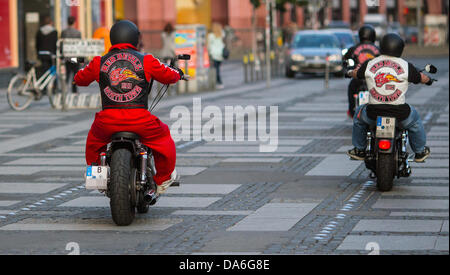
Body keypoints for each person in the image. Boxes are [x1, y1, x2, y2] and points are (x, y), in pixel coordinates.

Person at [74, 20, 184, 195]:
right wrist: (178, 73)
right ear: (135, 39)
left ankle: (97, 176)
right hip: (140, 119)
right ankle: (163, 179)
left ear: (112, 39)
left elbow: (79, 79)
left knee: (93, 142)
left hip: (107, 121)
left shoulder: (99, 62)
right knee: (163, 137)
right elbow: (168, 75)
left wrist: (81, 71)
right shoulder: (146, 60)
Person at [347, 33, 433, 163]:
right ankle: (420, 151)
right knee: (415, 121)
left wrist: (350, 72)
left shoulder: (370, 63)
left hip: (373, 114)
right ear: (400, 48)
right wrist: (428, 80)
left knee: (358, 115)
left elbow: (356, 73)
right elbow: (421, 78)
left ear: (381, 46)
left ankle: (359, 149)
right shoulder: (405, 66)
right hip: (400, 114)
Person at [343, 25, 380, 118]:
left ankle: (352, 110)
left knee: (351, 88)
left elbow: (345, 59)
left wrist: (348, 68)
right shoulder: (378, 49)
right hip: (373, 79)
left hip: (358, 78)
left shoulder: (354, 48)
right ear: (373, 36)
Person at [61, 16, 82, 93]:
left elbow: (62, 44)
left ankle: (65, 89)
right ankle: (74, 89)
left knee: (67, 73)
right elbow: (80, 45)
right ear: (74, 22)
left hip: (67, 56)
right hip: (75, 56)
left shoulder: (64, 32)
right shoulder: (78, 32)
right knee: (75, 74)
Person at [208, 22, 225, 90]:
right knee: (217, 68)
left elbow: (209, 45)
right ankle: (218, 82)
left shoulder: (211, 36)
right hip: (220, 53)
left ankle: (218, 82)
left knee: (215, 69)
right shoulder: (221, 34)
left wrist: (209, 53)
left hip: (214, 53)